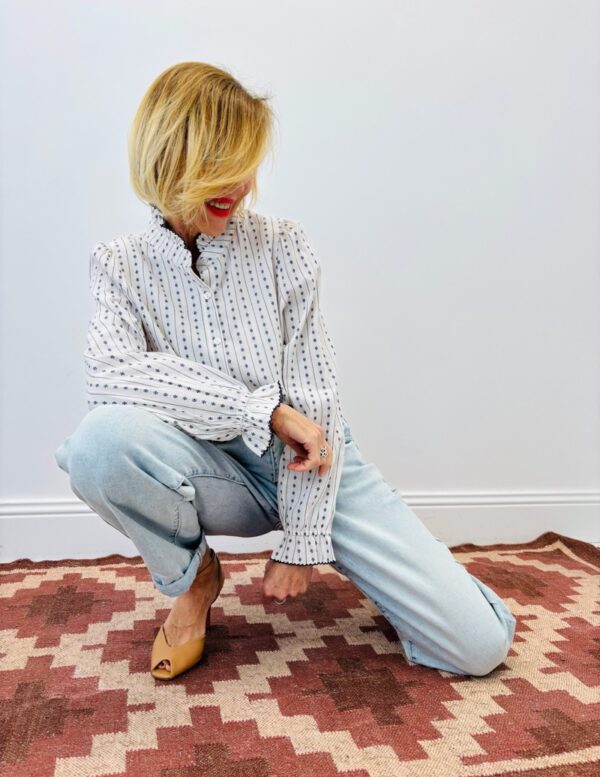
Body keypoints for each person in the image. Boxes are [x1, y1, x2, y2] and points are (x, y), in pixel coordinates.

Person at [54, 61, 516, 681]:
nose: (239, 186)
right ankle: (194, 582)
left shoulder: (283, 245)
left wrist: (301, 539)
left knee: (479, 647)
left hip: (314, 461)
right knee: (98, 446)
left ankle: (422, 587)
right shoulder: (118, 263)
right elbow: (110, 375)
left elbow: (314, 401)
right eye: (218, 167)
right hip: (208, 472)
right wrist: (259, 410)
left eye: (245, 166)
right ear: (167, 160)